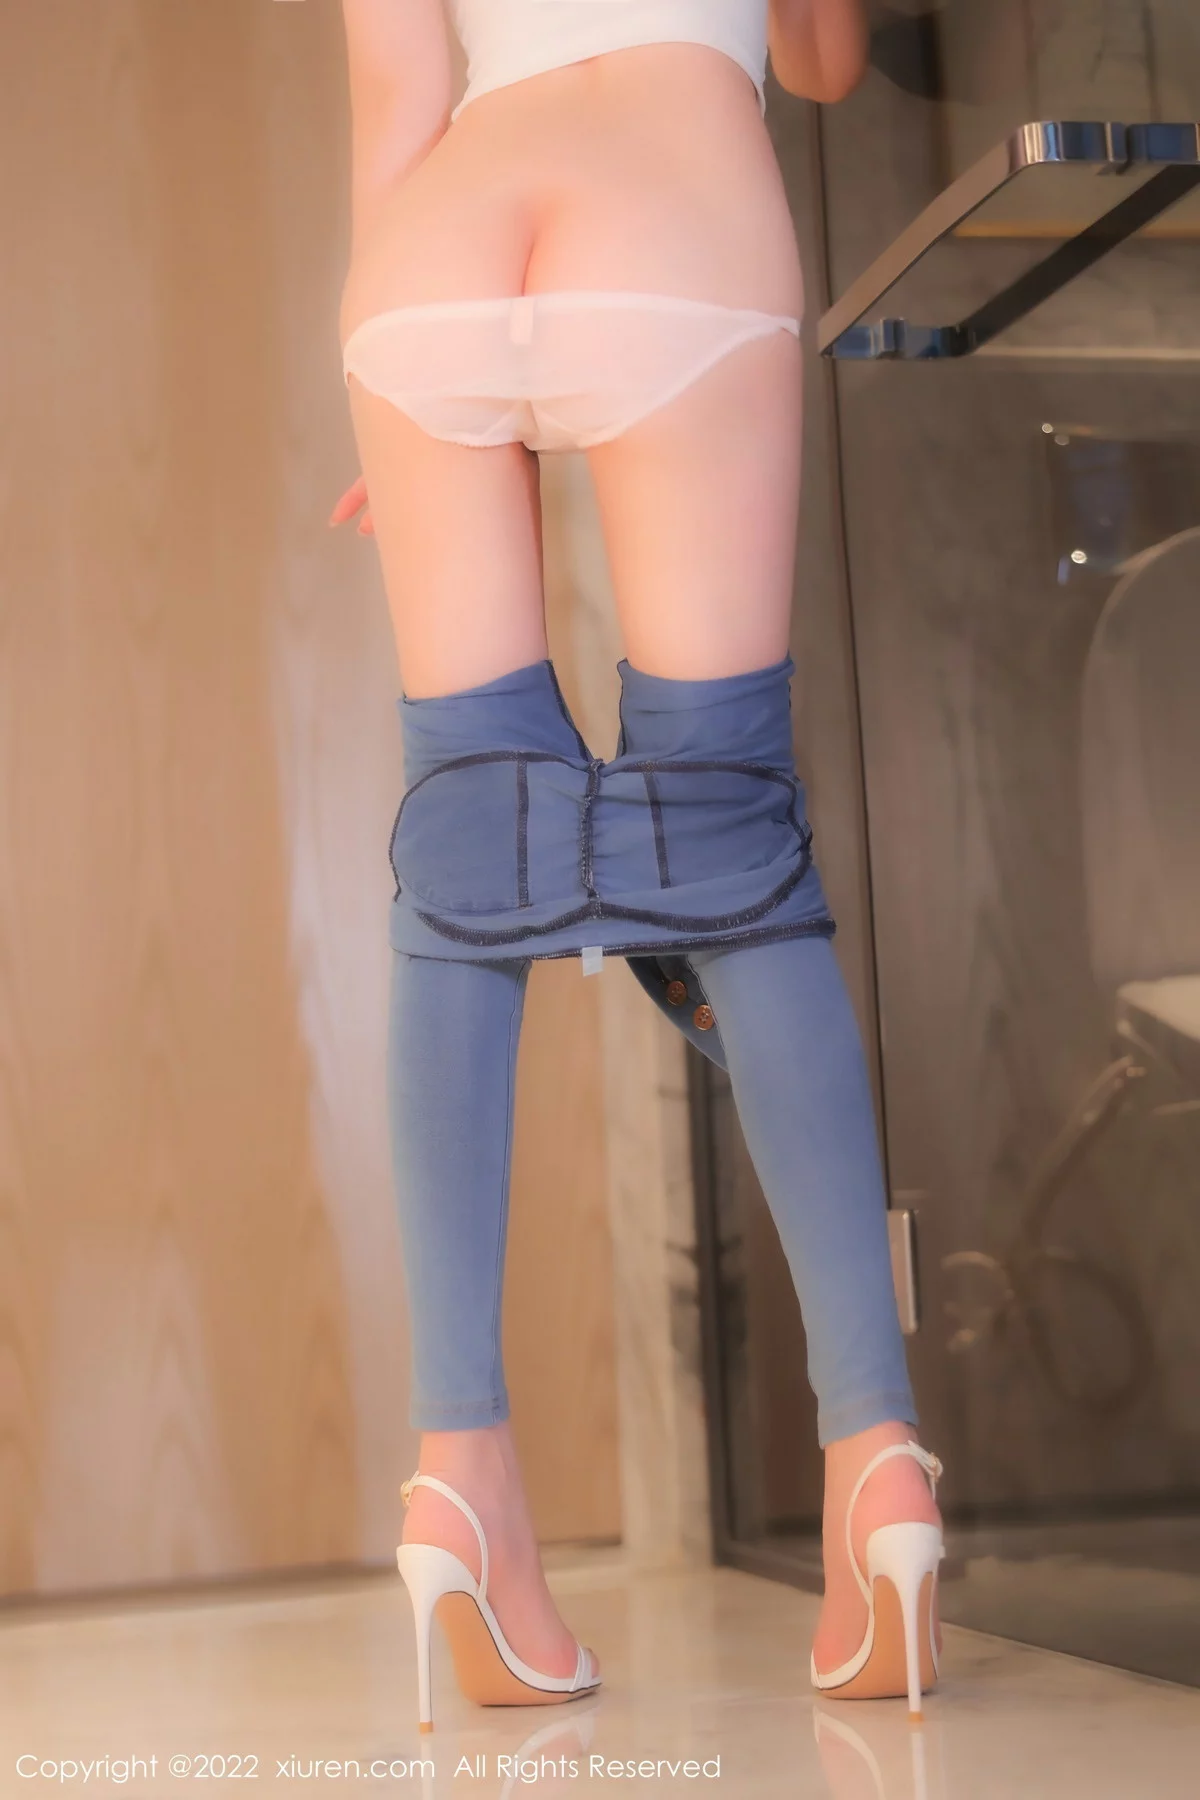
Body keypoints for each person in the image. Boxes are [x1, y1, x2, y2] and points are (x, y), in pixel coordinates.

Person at [333, 0, 945, 1732]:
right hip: (672, 221)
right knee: (723, 823)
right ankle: (875, 1462)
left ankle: (459, 1473)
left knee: (464, 844)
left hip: (430, 259)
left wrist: (378, 382)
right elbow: (820, 61)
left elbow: (395, 91)